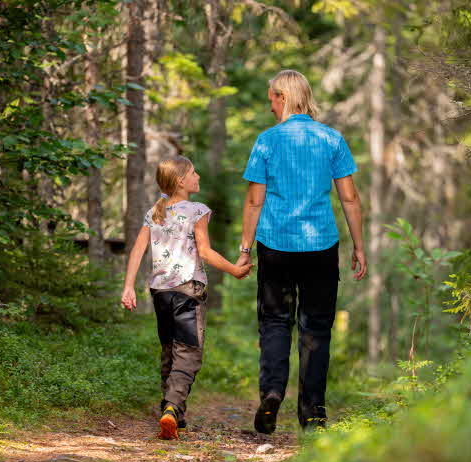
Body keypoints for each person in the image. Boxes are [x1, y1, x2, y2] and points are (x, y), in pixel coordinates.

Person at [236, 70, 368, 434]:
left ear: (282, 97)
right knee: (317, 328)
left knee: (275, 322)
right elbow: (349, 197)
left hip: (276, 245)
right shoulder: (332, 139)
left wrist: (245, 250)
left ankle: (273, 391)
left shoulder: (267, 141)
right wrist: (359, 245)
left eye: (272, 100)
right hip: (320, 245)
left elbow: (253, 201)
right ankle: (313, 412)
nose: (271, 107)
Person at [121, 155, 252, 440]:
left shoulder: (154, 212)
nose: (198, 177)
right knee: (189, 352)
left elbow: (137, 251)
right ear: (181, 181)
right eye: (193, 173)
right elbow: (204, 252)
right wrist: (234, 270)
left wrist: (129, 286)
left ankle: (173, 414)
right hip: (187, 290)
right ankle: (171, 407)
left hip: (160, 292)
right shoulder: (197, 210)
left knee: (170, 349)